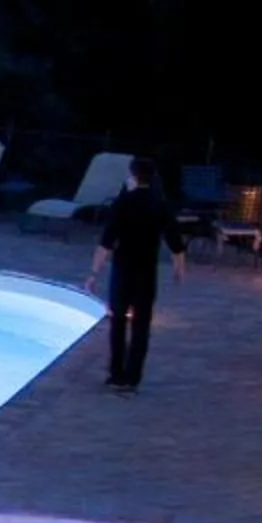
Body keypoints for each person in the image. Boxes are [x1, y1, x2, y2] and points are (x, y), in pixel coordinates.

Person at [85, 158, 187, 391]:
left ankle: (117, 373)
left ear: (132, 175)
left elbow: (106, 242)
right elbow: (175, 242)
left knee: (118, 321)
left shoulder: (123, 203)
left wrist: (93, 273)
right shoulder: (159, 204)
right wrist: (179, 269)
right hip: (146, 271)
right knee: (141, 324)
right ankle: (133, 377)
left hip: (123, 269)